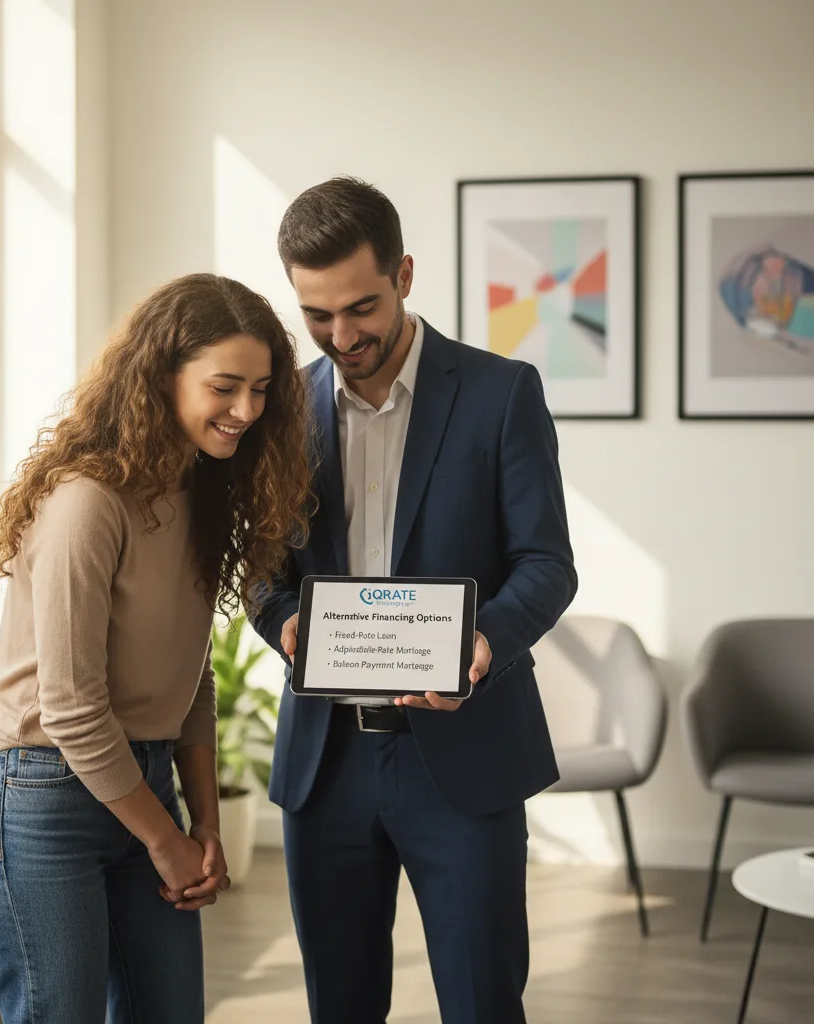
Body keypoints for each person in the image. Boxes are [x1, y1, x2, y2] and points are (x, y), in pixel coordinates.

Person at [251, 178, 578, 1023]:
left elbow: (547, 564)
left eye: (361, 307)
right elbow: (258, 565)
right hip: (325, 765)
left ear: (403, 273)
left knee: (481, 1004)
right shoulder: (279, 404)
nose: (342, 335)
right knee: (341, 1008)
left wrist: (488, 639)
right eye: (317, 314)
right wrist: (282, 620)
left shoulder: (502, 392)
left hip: (463, 755)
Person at [0, 274, 312, 1024]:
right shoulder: (87, 504)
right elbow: (73, 709)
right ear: (161, 376)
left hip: (142, 782)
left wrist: (205, 825)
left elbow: (191, 681)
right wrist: (166, 838)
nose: (247, 411)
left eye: (260, 390)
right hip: (42, 794)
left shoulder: (202, 493)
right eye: (225, 387)